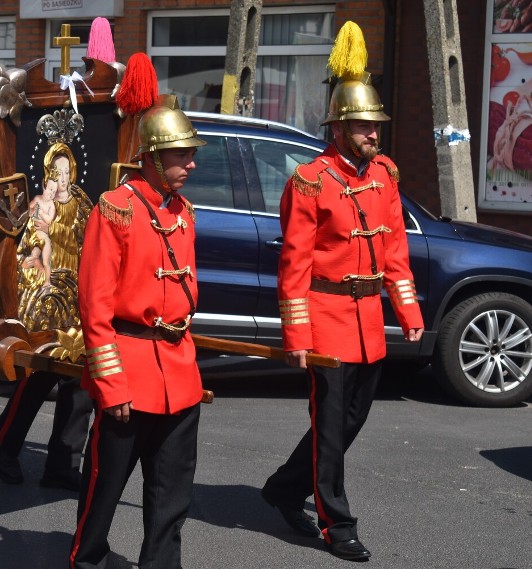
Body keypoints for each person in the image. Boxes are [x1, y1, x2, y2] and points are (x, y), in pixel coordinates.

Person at [259, 21, 424, 562]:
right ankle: (337, 523)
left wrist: (406, 307)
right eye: (363, 124)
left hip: (368, 319)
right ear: (339, 127)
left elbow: (395, 249)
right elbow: (294, 264)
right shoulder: (310, 179)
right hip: (326, 316)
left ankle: (285, 487)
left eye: (376, 123)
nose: (374, 132)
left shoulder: (386, 174)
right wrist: (297, 333)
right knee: (329, 428)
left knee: (351, 422)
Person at [69, 100, 206, 569]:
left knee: (172, 495)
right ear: (150, 156)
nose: (191, 163)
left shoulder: (183, 210)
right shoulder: (116, 209)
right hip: (129, 370)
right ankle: (86, 560)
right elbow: (95, 306)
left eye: (190, 154)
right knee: (104, 489)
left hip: (179, 372)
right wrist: (111, 384)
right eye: (180, 155)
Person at [0, 141, 94, 491]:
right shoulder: (41, 206)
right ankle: (2, 441)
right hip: (47, 285)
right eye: (56, 172)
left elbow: (93, 237)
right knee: (41, 369)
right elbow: (32, 245)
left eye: (67, 171)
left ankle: (63, 462)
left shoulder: (82, 202)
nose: (62, 178)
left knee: (80, 374)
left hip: (80, 289)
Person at [22, 170, 58, 289]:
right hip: (35, 235)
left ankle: (47, 281)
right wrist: (32, 211)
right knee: (33, 257)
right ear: (44, 187)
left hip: (44, 237)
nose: (51, 193)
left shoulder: (51, 205)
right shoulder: (37, 198)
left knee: (47, 261)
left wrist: (41, 212)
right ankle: (38, 279)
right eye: (50, 189)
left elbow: (49, 220)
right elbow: (29, 209)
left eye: (54, 191)